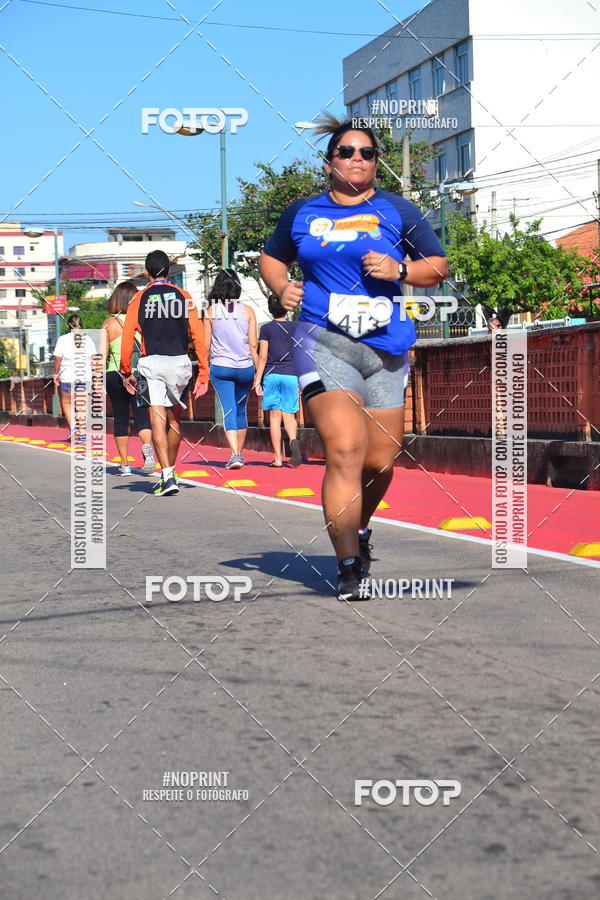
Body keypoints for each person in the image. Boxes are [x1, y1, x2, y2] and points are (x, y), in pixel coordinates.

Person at [260, 114, 447, 601]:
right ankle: (346, 565)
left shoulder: (398, 210)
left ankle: (359, 528)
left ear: (376, 163)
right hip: (322, 340)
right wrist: (281, 286)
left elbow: (437, 267)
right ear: (329, 163)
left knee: (381, 460)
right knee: (345, 449)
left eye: (366, 152)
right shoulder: (302, 213)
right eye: (346, 152)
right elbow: (272, 256)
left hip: (386, 346)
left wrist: (399, 268)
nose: (357, 159)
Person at [120, 250, 209, 497]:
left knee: (157, 418)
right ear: (169, 271)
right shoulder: (185, 296)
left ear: (146, 273)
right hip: (180, 363)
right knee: (175, 420)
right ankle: (170, 472)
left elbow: (127, 337)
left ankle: (167, 475)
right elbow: (198, 336)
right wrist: (204, 374)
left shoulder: (138, 298)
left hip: (152, 363)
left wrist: (126, 370)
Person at [204, 269, 258, 469]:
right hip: (245, 368)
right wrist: (259, 372)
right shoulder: (248, 311)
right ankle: (239, 454)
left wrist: (203, 370)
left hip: (221, 367)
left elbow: (205, 345)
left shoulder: (211, 311)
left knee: (229, 409)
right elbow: (253, 345)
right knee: (241, 411)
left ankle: (234, 454)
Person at [101, 280, 156, 476]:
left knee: (120, 417)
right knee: (142, 415)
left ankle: (124, 464)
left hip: (114, 374)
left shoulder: (109, 323)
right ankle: (147, 449)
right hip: (138, 374)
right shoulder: (143, 322)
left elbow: (101, 355)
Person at [254, 294, 302, 467]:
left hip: (272, 375)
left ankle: (278, 459)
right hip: (291, 374)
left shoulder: (266, 329)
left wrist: (257, 380)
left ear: (270, 309)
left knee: (275, 417)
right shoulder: (296, 328)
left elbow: (262, 356)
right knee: (289, 414)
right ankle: (293, 440)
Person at [52, 314, 96, 440]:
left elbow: (57, 358)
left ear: (68, 326)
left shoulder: (62, 339)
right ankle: (82, 432)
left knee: (67, 403)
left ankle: (73, 428)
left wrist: (56, 373)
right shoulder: (88, 340)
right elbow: (93, 360)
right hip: (84, 376)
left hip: (67, 376)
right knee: (82, 404)